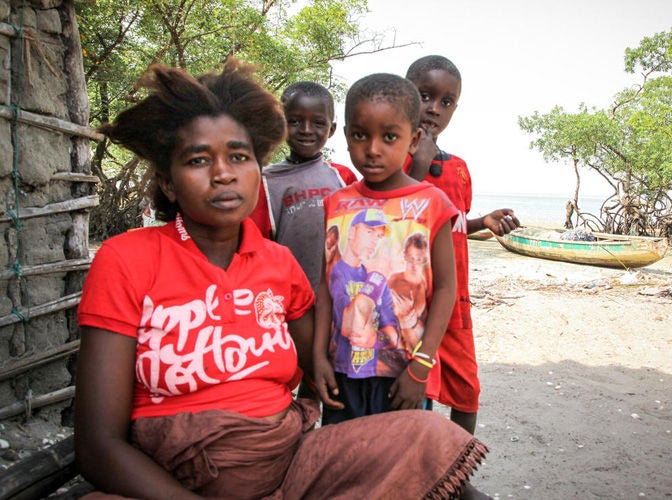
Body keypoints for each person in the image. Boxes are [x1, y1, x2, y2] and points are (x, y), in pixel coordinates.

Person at [74, 59, 487, 499]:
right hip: (177, 479)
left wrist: (411, 361)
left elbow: (327, 358)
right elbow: (99, 446)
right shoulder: (127, 258)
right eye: (198, 160)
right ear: (168, 183)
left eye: (239, 156)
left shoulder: (279, 263)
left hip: (291, 470)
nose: (223, 173)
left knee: (427, 437)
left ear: (259, 170)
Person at [313, 73, 459, 426]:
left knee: (400, 469)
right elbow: (325, 287)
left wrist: (421, 366)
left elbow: (445, 289)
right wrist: (317, 356)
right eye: (361, 135)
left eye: (389, 136)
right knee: (345, 463)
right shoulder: (336, 203)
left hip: (403, 374)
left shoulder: (432, 203)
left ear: (414, 140)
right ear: (347, 136)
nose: (373, 149)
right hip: (343, 370)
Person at [405, 55, 521, 434]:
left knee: (466, 389)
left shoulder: (458, 168)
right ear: (407, 96)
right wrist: (418, 165)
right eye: (425, 96)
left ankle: (457, 473)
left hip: (454, 299)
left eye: (446, 101)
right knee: (413, 391)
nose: (434, 109)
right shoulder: (389, 159)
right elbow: (398, 223)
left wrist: (480, 222)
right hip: (408, 301)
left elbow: (447, 226)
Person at [253, 81, 357, 293]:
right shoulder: (264, 181)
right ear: (280, 124)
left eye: (318, 123)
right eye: (295, 121)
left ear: (332, 129)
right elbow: (257, 246)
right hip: (288, 296)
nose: (306, 130)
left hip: (340, 294)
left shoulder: (342, 176)